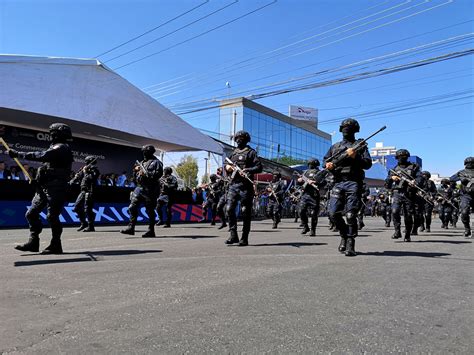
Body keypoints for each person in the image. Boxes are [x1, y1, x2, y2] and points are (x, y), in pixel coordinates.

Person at [8, 123, 74, 254]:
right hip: (44, 186)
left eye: (53, 132)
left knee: (52, 216)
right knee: (31, 213)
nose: (51, 135)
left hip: (56, 187)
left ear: (58, 134)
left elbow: (41, 155)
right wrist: (37, 180)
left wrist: (18, 154)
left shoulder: (62, 148)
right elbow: (46, 168)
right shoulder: (54, 147)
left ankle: (56, 244)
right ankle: (33, 242)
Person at [324, 118, 372, 256]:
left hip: (353, 182)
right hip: (338, 181)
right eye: (344, 127)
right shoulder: (335, 146)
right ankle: (344, 235)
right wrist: (328, 165)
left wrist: (355, 156)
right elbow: (325, 161)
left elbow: (367, 164)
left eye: (349, 128)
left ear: (355, 130)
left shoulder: (360, 146)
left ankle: (350, 242)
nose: (346, 129)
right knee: (333, 213)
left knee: (351, 215)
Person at [224, 130, 262, 246]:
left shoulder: (251, 152)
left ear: (246, 140)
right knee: (229, 209)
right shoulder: (233, 153)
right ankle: (233, 235)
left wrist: (247, 170)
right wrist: (228, 168)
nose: (239, 140)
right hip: (233, 185)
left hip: (246, 186)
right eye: (237, 138)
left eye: (242, 138)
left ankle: (244, 237)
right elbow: (226, 166)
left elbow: (259, 167)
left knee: (245, 211)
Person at [121, 145, 163, 237]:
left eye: (145, 152)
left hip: (150, 189)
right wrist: (135, 171)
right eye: (143, 152)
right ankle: (131, 228)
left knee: (149, 210)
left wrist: (147, 174)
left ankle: (151, 230)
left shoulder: (157, 162)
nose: (144, 154)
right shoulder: (141, 162)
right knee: (132, 207)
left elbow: (158, 174)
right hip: (139, 188)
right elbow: (135, 177)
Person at [385, 149, 422, 242]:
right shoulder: (394, 169)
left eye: (404, 157)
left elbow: (420, 178)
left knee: (408, 215)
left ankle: (408, 234)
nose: (402, 159)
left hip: (409, 193)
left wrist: (415, 182)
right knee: (394, 211)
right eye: (400, 157)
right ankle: (397, 231)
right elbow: (387, 185)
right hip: (397, 193)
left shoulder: (414, 167)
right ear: (397, 158)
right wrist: (391, 178)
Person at [70, 156, 100, 232]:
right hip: (83, 191)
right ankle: (84, 223)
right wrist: (74, 179)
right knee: (76, 207)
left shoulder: (95, 170)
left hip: (90, 191)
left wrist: (86, 172)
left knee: (88, 209)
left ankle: (91, 226)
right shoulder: (84, 168)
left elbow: (92, 178)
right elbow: (78, 177)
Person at [297, 158, 325, 236]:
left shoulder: (319, 172)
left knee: (314, 214)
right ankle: (305, 226)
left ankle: (313, 230)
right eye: (309, 164)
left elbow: (324, 182)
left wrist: (315, 182)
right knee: (301, 211)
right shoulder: (305, 172)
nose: (310, 165)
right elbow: (300, 183)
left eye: (312, 164)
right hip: (305, 194)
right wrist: (299, 181)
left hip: (314, 195)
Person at [450, 157, 474, 237]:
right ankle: (467, 229)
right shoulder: (461, 172)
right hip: (466, 195)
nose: (470, 164)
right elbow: (451, 178)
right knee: (464, 213)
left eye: (472, 162)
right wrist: (461, 178)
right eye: (468, 163)